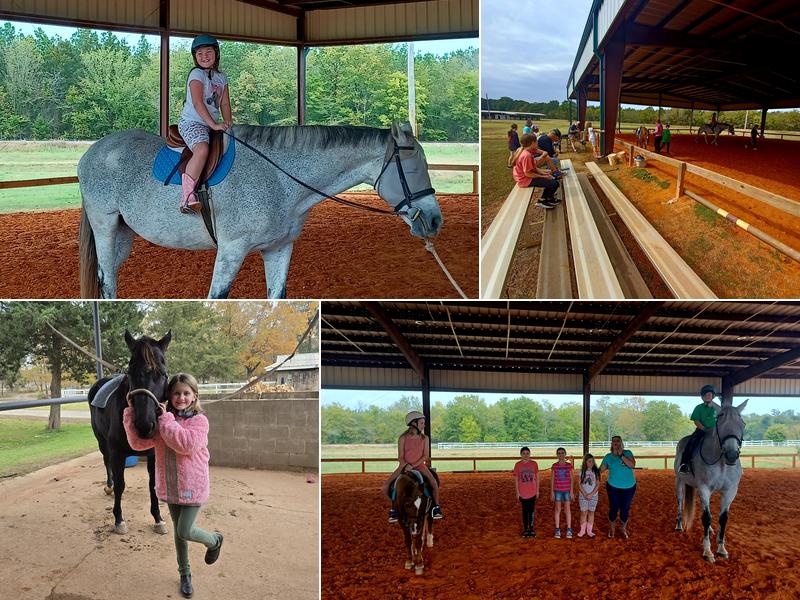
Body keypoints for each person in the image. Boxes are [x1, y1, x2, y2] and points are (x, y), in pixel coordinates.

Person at [123, 373, 223, 599]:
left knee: (185, 530)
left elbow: (186, 445)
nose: (181, 397)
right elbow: (138, 444)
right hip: (170, 486)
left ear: (194, 396)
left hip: (192, 486)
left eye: (186, 393)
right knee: (179, 535)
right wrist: (131, 414)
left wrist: (166, 419)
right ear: (169, 395)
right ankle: (185, 574)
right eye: (176, 393)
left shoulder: (199, 421)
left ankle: (215, 540)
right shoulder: (162, 421)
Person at [178, 34, 233, 213]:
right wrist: (214, 125)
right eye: (199, 53)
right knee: (202, 149)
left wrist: (228, 122)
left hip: (211, 124)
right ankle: (187, 197)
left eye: (208, 51)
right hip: (193, 123)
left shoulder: (221, 77)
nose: (204, 56)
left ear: (216, 53)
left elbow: (224, 103)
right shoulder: (196, 74)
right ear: (195, 57)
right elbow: (197, 103)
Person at [382, 411, 442, 522]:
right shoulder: (403, 438)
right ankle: (394, 509)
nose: (424, 425)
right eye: (422, 423)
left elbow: (425, 456)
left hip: (420, 466)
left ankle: (436, 507)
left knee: (433, 482)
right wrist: (405, 465)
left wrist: (413, 465)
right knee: (387, 487)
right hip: (404, 466)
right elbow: (400, 456)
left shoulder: (425, 439)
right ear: (414, 423)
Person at [510, 134, 561, 209]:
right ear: (533, 143)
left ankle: (548, 198)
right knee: (554, 183)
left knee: (552, 177)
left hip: (525, 177)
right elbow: (528, 173)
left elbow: (533, 167)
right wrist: (543, 176)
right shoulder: (526, 155)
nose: (538, 143)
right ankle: (542, 201)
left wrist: (542, 172)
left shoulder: (525, 150)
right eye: (536, 141)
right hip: (525, 180)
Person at [600, 436, 636, 539]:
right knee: (613, 508)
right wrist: (588, 471)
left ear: (621, 443)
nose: (615, 443)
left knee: (625, 509)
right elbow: (600, 470)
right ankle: (612, 530)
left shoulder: (628, 453)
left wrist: (621, 455)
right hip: (613, 487)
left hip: (629, 487)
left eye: (618, 441)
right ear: (611, 443)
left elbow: (632, 465)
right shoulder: (608, 457)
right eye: (614, 441)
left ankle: (623, 529)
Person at [678, 385, 718, 473]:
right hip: (701, 430)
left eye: (710, 394)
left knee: (729, 444)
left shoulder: (718, 408)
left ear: (713, 396)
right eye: (706, 394)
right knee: (690, 444)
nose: (708, 396)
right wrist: (704, 429)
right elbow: (696, 421)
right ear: (703, 396)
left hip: (716, 432)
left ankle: (734, 467)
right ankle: (684, 464)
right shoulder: (698, 408)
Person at [513, 446, 540, 537]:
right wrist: (517, 492)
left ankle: (531, 529)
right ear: (521, 454)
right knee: (525, 511)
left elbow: (537, 478)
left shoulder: (534, 464)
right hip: (523, 492)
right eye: (524, 453)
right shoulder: (518, 465)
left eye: (527, 453)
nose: (525, 455)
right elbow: (516, 480)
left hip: (532, 491)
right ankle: (525, 529)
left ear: (530, 454)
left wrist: (537, 491)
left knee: (531, 511)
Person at [551, 447, 574, 539]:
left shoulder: (569, 466)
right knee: (558, 509)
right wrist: (552, 492)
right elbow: (552, 479)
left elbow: (572, 479)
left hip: (567, 490)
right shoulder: (554, 466)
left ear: (565, 454)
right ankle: (557, 529)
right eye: (559, 453)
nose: (561, 455)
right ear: (557, 455)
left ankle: (569, 528)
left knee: (567, 509)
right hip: (558, 490)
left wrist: (571, 491)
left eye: (562, 453)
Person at [577, 453, 600, 538]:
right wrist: (585, 494)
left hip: (593, 496)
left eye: (593, 461)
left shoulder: (596, 471)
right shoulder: (582, 472)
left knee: (591, 512)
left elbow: (597, 484)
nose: (592, 463)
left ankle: (589, 531)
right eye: (589, 461)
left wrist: (591, 494)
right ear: (585, 462)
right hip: (583, 496)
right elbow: (579, 484)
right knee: (583, 513)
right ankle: (582, 530)